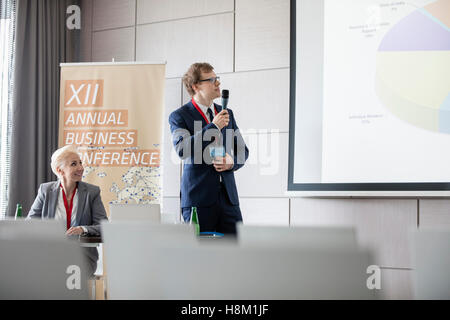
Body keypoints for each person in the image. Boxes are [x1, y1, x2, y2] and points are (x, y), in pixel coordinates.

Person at [169, 62, 249, 234]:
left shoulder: (226, 113)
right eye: (212, 80)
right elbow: (182, 149)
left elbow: (243, 151)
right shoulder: (179, 116)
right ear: (195, 86)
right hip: (198, 200)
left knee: (236, 254)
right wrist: (213, 127)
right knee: (200, 257)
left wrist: (231, 163)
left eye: (217, 78)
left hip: (229, 201)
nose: (218, 83)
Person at [28, 145, 108, 276]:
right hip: (51, 252)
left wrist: (83, 229)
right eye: (74, 164)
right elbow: (30, 223)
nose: (81, 168)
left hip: (82, 257)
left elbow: (104, 227)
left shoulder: (92, 192)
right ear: (60, 171)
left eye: (80, 163)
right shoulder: (45, 191)